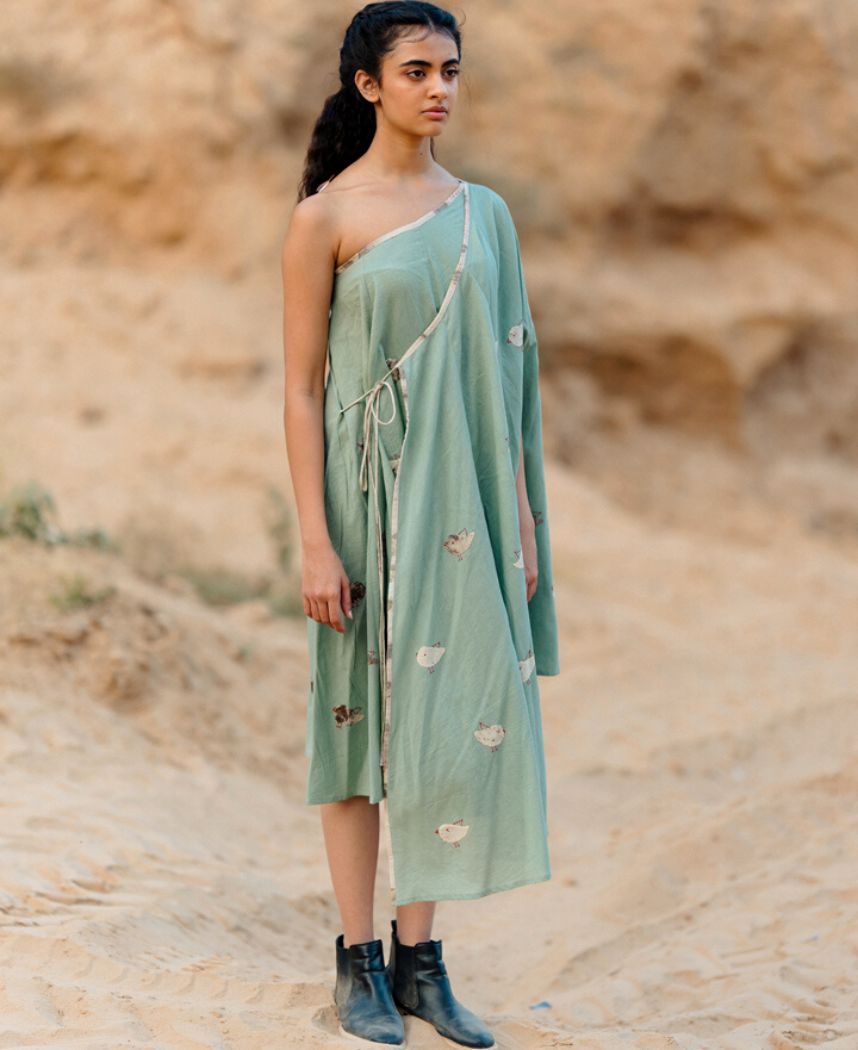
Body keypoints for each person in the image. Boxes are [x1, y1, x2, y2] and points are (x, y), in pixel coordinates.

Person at [281, 3, 560, 1046]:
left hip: (464, 512)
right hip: (363, 502)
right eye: (416, 71)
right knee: (356, 725)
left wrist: (520, 518)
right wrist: (315, 539)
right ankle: (356, 962)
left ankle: (419, 964)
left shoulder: (485, 214)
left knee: (447, 718)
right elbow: (301, 390)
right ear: (368, 85)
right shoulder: (325, 218)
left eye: (450, 70)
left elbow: (510, 377)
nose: (439, 88)